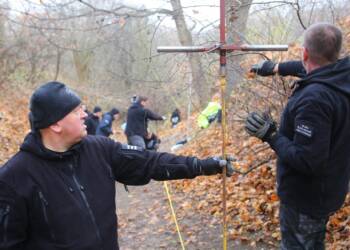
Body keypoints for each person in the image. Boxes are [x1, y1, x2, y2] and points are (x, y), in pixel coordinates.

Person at [0, 81, 234, 250]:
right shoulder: (14, 178)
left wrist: (202, 165)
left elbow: (150, 162)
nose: (85, 115)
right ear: (55, 124)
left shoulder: (99, 148)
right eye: (76, 111)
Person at [245, 23, 350, 249]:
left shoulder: (315, 100)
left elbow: (308, 160)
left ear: (305, 53)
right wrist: (277, 68)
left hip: (307, 199)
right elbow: (315, 68)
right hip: (329, 188)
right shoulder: (342, 74)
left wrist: (271, 135)